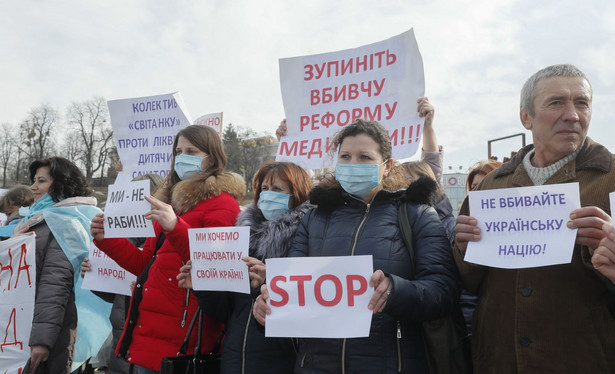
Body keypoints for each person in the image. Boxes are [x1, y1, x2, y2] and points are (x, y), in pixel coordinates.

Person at [253, 119, 459, 373]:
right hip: (317, 365)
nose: (353, 165)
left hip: (391, 363)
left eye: (364, 157)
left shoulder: (416, 215)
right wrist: (267, 308)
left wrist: (396, 290)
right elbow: (293, 289)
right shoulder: (314, 219)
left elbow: (442, 290)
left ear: (387, 166)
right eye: (346, 156)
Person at [454, 64, 615, 373]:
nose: (572, 114)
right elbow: (469, 282)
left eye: (581, 103)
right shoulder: (491, 186)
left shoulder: (611, 178)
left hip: (586, 359)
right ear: (525, 117)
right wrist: (464, 250)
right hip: (500, 359)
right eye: (556, 102)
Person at [90, 125, 246, 373]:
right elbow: (144, 266)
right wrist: (106, 238)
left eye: (192, 151)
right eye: (178, 151)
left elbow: (217, 268)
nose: (182, 157)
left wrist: (175, 227)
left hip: (185, 337)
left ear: (212, 157)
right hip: (149, 330)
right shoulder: (170, 202)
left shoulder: (223, 204)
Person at [177, 161, 314, 374]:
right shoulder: (239, 238)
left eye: (277, 189)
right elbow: (225, 313)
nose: (268, 195)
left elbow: (308, 312)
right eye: (264, 189)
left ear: (297, 194)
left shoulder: (309, 239)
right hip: (235, 360)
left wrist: (269, 282)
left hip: (283, 363)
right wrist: (202, 285)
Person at [11, 157, 103, 374]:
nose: (33, 186)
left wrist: (43, 340)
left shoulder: (66, 224)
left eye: (41, 181)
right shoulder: (38, 220)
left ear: (61, 183)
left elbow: (55, 286)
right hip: (24, 325)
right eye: (34, 180)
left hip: (48, 333)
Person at [82, 173, 164, 374]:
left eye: (144, 200)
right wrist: (94, 277)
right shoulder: (117, 242)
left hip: (149, 350)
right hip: (122, 347)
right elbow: (115, 298)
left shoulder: (163, 242)